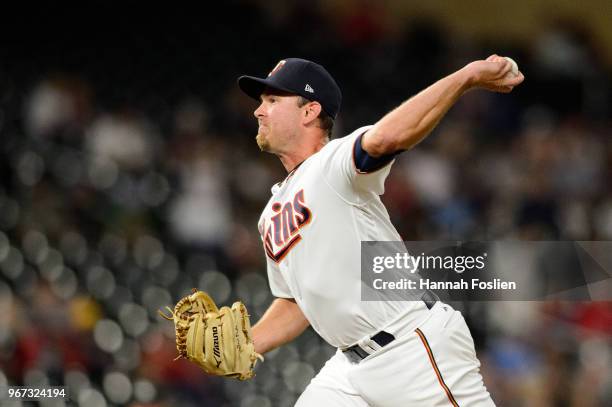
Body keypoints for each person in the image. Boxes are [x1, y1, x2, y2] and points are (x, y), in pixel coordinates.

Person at [237, 56, 524, 406]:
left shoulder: (334, 161)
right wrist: (245, 346)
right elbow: (296, 302)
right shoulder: (271, 213)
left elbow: (388, 137)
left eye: (272, 101)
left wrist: (466, 77)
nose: (258, 111)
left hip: (409, 346)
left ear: (309, 111)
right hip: (347, 369)